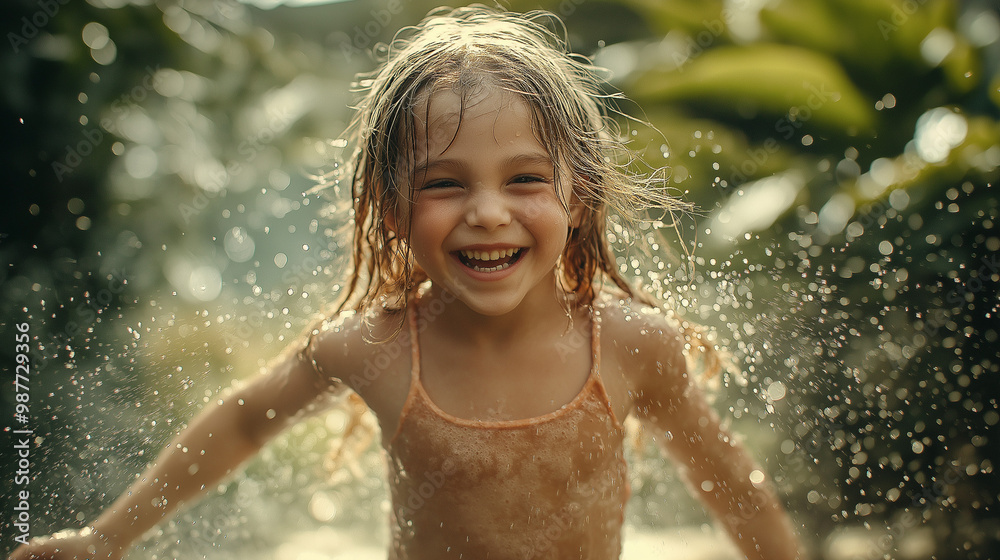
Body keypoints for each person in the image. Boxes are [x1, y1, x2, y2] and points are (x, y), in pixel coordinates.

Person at [9, 5, 803, 560]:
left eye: (525, 178)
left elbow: (730, 484)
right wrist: (107, 537)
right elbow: (249, 420)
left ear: (580, 194)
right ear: (390, 208)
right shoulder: (378, 348)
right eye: (445, 185)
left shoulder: (630, 345)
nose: (487, 213)